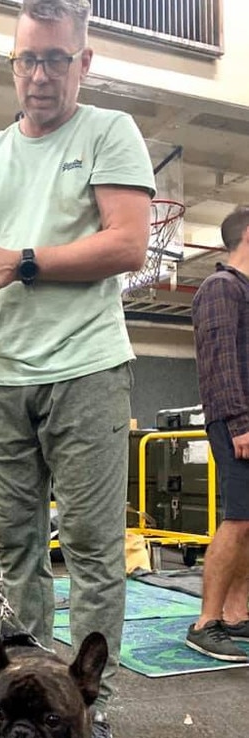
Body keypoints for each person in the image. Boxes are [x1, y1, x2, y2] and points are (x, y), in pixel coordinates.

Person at [0, 0, 154, 738]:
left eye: (57, 59)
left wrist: (23, 261)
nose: (40, 75)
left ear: (83, 63)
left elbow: (128, 243)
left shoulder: (107, 132)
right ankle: (22, 705)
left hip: (88, 368)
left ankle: (91, 717)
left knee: (93, 552)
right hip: (3, 376)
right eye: (28, 59)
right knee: (13, 555)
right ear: (13, 63)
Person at [185, 206, 249, 663]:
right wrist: (240, 424)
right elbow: (219, 363)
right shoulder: (221, 287)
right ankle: (206, 622)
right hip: (237, 422)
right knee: (238, 519)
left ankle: (236, 613)